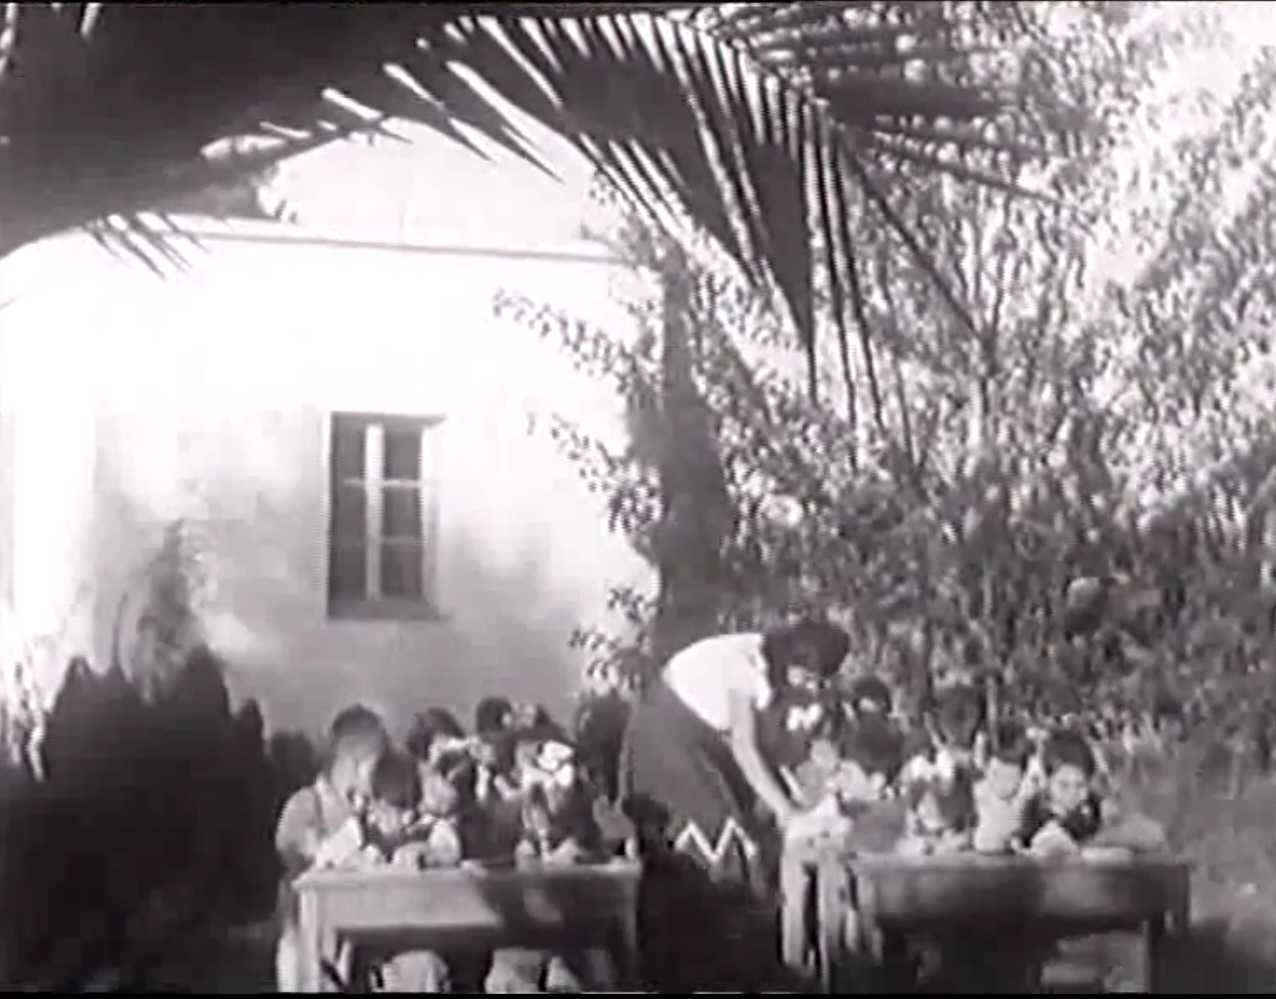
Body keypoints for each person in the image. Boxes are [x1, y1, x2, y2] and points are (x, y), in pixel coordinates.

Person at [620, 618, 852, 991]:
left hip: (706, 744)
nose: (811, 687)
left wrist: (806, 801)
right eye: (807, 676)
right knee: (712, 839)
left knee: (745, 834)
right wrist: (789, 814)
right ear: (789, 659)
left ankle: (735, 964)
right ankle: (699, 971)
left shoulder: (782, 685)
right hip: (666, 739)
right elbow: (745, 746)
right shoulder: (745, 665)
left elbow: (774, 756)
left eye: (818, 680)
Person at [273, 704, 389, 992]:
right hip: (312, 955)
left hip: (363, 948)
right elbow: (298, 852)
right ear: (355, 762)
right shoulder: (305, 805)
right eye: (376, 765)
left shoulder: (374, 810)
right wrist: (355, 834)